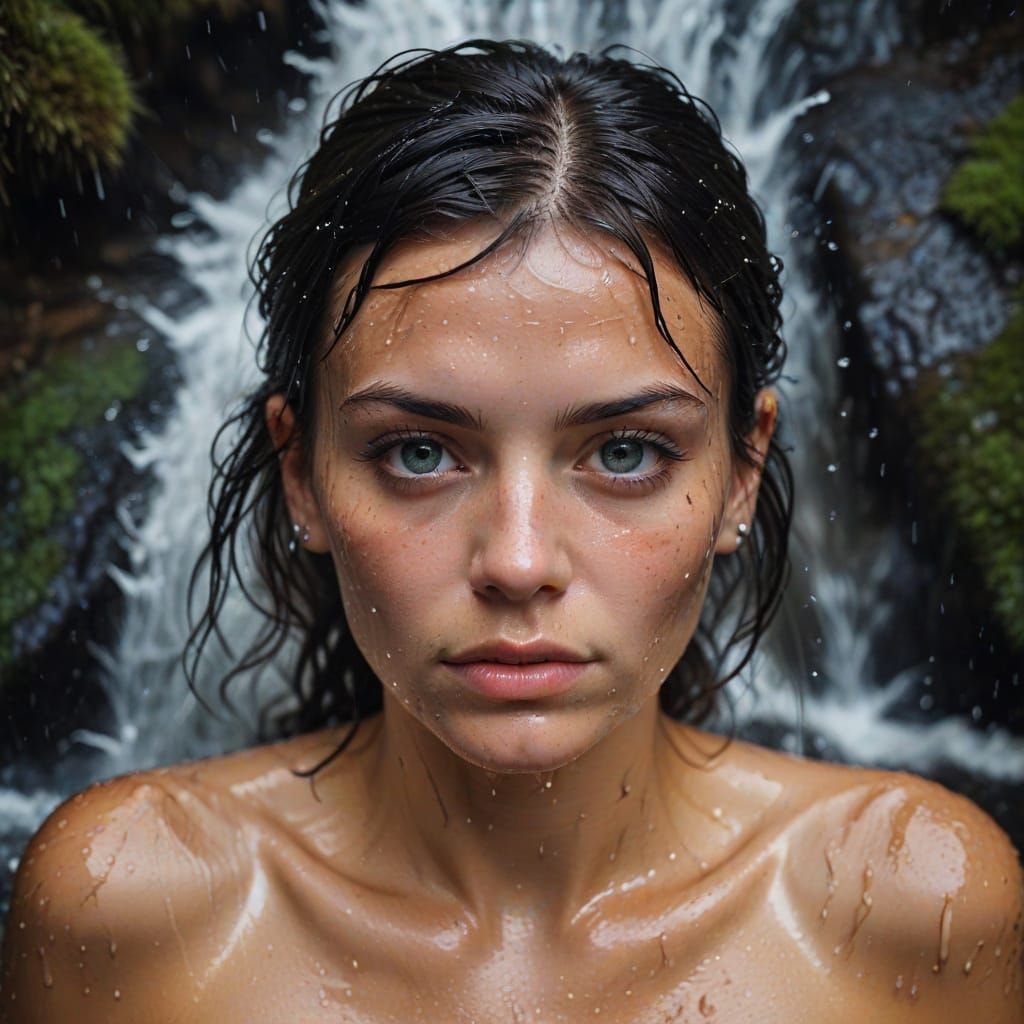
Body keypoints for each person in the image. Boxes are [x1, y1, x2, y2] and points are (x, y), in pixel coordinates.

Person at [2, 39, 1020, 1024]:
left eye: (624, 453)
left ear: (741, 471)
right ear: (301, 471)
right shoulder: (130, 903)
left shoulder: (910, 902)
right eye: (416, 452)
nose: (518, 562)